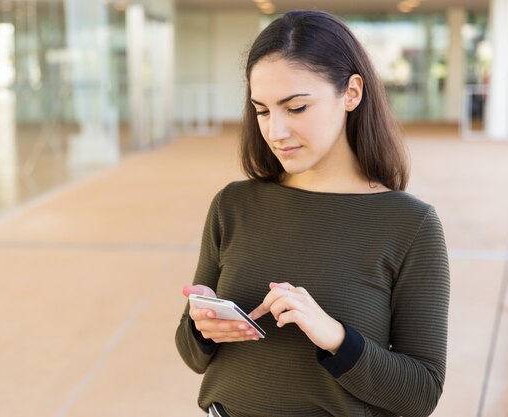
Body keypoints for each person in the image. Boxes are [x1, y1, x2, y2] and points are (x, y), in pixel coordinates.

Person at [174, 10, 450, 417]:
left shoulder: (409, 225)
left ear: (352, 93)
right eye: (263, 111)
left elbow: (421, 392)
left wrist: (336, 338)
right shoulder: (232, 206)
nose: (275, 131)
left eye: (297, 107)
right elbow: (193, 355)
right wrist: (202, 327)